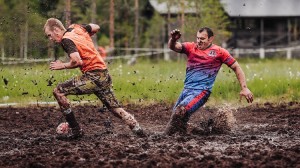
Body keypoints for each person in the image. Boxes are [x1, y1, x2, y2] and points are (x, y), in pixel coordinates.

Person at [43, 18, 144, 140]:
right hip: (104, 74)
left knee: (58, 91)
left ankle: (76, 130)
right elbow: (96, 27)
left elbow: (77, 61)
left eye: (49, 35)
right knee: (115, 109)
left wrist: (62, 65)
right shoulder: (76, 28)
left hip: (94, 76)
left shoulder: (66, 40)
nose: (50, 39)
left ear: (56, 30)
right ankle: (139, 131)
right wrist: (85, 34)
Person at [164, 27, 254, 135]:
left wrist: (244, 88)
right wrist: (173, 39)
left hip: (202, 91)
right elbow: (174, 47)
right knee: (176, 116)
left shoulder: (220, 52)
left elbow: (236, 67)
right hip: (186, 90)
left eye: (202, 38)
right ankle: (189, 135)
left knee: (180, 111)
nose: (199, 41)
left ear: (211, 39)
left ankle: (164, 136)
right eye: (197, 38)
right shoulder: (191, 47)